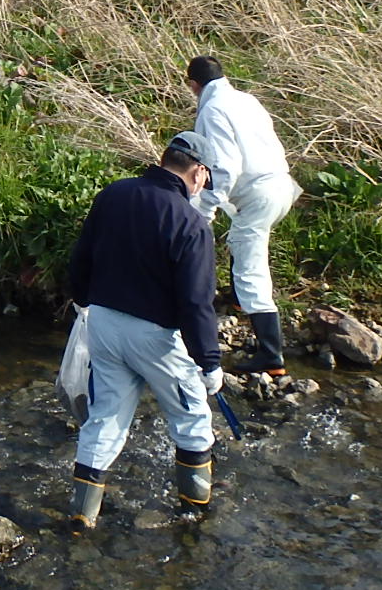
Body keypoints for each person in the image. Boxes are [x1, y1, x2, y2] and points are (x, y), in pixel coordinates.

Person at [65, 131, 222, 529]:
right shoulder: (191, 222)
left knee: (105, 417)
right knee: (191, 416)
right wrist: (209, 362)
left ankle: (84, 515)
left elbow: (82, 255)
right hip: (154, 336)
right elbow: (195, 303)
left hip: (101, 321)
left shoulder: (114, 194)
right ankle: (194, 512)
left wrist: (83, 300)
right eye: (206, 177)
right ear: (199, 172)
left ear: (165, 159)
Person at [188, 55, 303, 377]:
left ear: (194, 85)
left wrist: (206, 207)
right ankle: (239, 300)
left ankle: (271, 355)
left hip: (259, 193)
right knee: (242, 240)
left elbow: (225, 166)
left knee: (251, 265)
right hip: (280, 185)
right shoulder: (246, 99)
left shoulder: (211, 109)